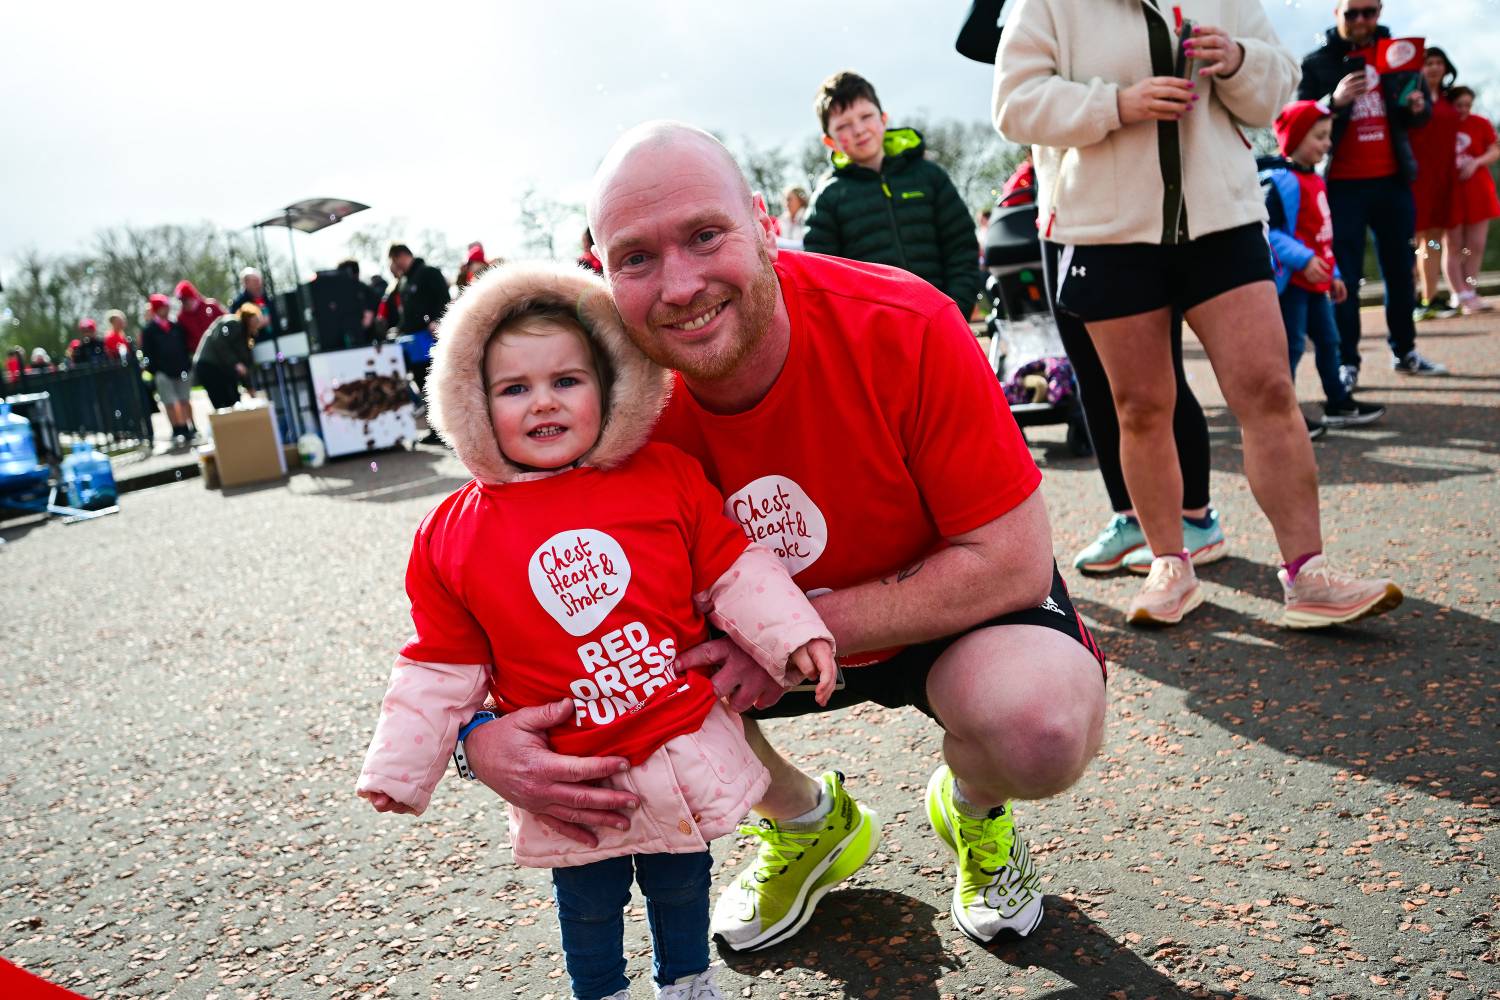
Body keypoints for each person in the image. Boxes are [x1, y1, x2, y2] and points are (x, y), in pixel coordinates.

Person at [464, 122, 1110, 951]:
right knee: (610, 673)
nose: (680, 285)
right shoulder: (595, 405)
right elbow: (501, 584)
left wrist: (792, 631)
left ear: (765, 223)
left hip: (933, 613)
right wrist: (474, 740)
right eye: (636, 258)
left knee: (1043, 727)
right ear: (601, 271)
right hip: (742, 649)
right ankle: (807, 822)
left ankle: (974, 809)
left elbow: (1012, 564)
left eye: (705, 235)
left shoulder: (905, 321)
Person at [357, 260, 837, 1000]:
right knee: (586, 904)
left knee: (683, 882)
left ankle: (688, 983)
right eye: (514, 389)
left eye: (566, 380)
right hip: (568, 770)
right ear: (471, 402)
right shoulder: (452, 535)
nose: (543, 402)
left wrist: (793, 634)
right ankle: (601, 991)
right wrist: (402, 765)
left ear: (611, 386)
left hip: (674, 739)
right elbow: (440, 661)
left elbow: (731, 566)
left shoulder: (664, 476)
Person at [995, 0, 1404, 628]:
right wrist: (1116, 105)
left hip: (1223, 217)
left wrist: (1239, 60)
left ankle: (1309, 574)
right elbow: (1014, 105)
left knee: (1269, 389)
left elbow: (1277, 86)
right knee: (1141, 407)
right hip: (1106, 230)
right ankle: (1169, 565)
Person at [1297, 1, 1446, 381]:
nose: (1361, 20)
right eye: (1352, 13)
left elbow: (1421, 116)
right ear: (1336, 13)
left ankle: (1405, 351)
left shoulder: (1399, 54)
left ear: (1380, 11)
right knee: (1344, 277)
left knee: (1401, 272)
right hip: (1340, 186)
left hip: (1393, 182)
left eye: (1369, 12)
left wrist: (1416, 108)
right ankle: (1347, 361)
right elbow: (1297, 119)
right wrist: (1333, 102)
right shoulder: (1316, 62)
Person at [803, 72, 984, 313]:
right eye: (843, 126)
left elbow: (962, 247)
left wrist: (956, 309)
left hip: (945, 317)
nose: (859, 130)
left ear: (883, 119)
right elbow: (825, 279)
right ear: (830, 141)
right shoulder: (827, 199)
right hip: (875, 328)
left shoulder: (930, 176)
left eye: (866, 116)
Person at [1264, 101, 1386, 432]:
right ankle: (1284, 413)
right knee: (1291, 347)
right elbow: (1269, 231)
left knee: (1330, 342)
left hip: (1317, 284)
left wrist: (1334, 273)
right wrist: (1304, 260)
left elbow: (1322, 236)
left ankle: (1338, 402)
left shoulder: (1317, 180)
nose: (1327, 144)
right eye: (1318, 136)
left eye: (1328, 136)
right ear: (1294, 138)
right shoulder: (1279, 181)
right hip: (1292, 285)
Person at [1409, 47, 1461, 321]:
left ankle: (1429, 297)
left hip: (1444, 177)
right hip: (1416, 177)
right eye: (1428, 63)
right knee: (1417, 240)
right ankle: (1415, 299)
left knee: (1435, 240)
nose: (1434, 67)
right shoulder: (1410, 99)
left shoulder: (1450, 99)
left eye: (1439, 62)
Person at [1445, 86, 1500, 315]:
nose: (1464, 109)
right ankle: (1458, 293)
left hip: (1478, 190)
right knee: (1453, 245)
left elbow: (1494, 150)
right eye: (1459, 105)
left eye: (1468, 105)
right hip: (1450, 191)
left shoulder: (1480, 123)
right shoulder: (1441, 124)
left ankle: (1470, 290)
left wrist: (1476, 162)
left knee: (1475, 245)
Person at [386, 243, 451, 395]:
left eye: (394, 260)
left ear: (402, 256)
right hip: (413, 340)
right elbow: (407, 312)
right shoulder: (403, 282)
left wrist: (437, 320)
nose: (394, 265)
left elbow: (444, 299)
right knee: (421, 379)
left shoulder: (429, 272)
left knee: (439, 378)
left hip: (432, 336)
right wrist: (398, 329)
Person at [140, 293, 195, 444]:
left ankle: (191, 427)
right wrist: (155, 370)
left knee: (184, 400)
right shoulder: (149, 330)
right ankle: (177, 429)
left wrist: (187, 365)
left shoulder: (176, 326)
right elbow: (147, 353)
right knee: (170, 402)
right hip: (163, 372)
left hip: (181, 369)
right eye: (162, 307)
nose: (166, 310)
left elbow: (184, 346)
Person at [194, 303, 261, 409]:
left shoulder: (244, 337)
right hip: (209, 366)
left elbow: (244, 365)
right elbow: (219, 342)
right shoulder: (233, 323)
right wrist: (236, 363)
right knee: (223, 404)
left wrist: (249, 387)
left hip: (220, 368)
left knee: (234, 401)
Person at [174, 280, 225, 357]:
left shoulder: (211, 306)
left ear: (192, 296)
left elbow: (227, 322)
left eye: (185, 300)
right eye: (181, 301)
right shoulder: (181, 317)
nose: (183, 304)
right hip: (202, 356)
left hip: (221, 350)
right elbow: (184, 340)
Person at [230, 267, 282, 340]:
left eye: (259, 281)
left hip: (277, 340)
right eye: (255, 281)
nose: (258, 284)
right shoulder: (238, 304)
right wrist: (254, 325)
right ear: (246, 283)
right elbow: (236, 328)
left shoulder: (268, 299)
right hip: (255, 344)